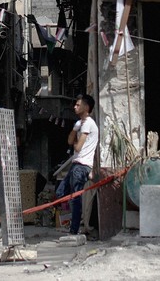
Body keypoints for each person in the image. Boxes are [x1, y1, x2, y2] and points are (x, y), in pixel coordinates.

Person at [56, 94, 97, 236]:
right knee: (61, 192)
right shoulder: (81, 123)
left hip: (81, 165)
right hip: (76, 164)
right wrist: (75, 128)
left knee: (76, 198)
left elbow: (78, 147)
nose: (74, 107)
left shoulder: (88, 123)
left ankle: (74, 230)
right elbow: (69, 141)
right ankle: (73, 224)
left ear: (86, 107)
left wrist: (75, 143)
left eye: (78, 105)